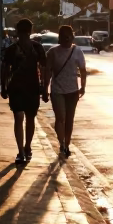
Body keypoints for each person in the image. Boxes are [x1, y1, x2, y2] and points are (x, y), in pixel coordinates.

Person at [1, 18, 47, 164]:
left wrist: (3, 87)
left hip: (22, 87)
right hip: (24, 88)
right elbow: (44, 69)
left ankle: (24, 149)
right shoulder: (36, 48)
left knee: (23, 118)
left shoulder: (14, 49)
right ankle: (23, 149)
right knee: (24, 118)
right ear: (30, 31)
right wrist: (45, 88)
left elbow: (4, 70)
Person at [45, 25, 87, 158]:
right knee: (60, 118)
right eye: (64, 36)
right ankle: (62, 143)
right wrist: (45, 89)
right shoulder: (53, 52)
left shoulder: (77, 51)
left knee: (69, 119)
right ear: (60, 38)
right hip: (57, 90)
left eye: (69, 36)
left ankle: (67, 144)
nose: (67, 39)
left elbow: (83, 70)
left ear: (72, 37)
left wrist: (83, 87)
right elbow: (47, 72)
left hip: (73, 91)